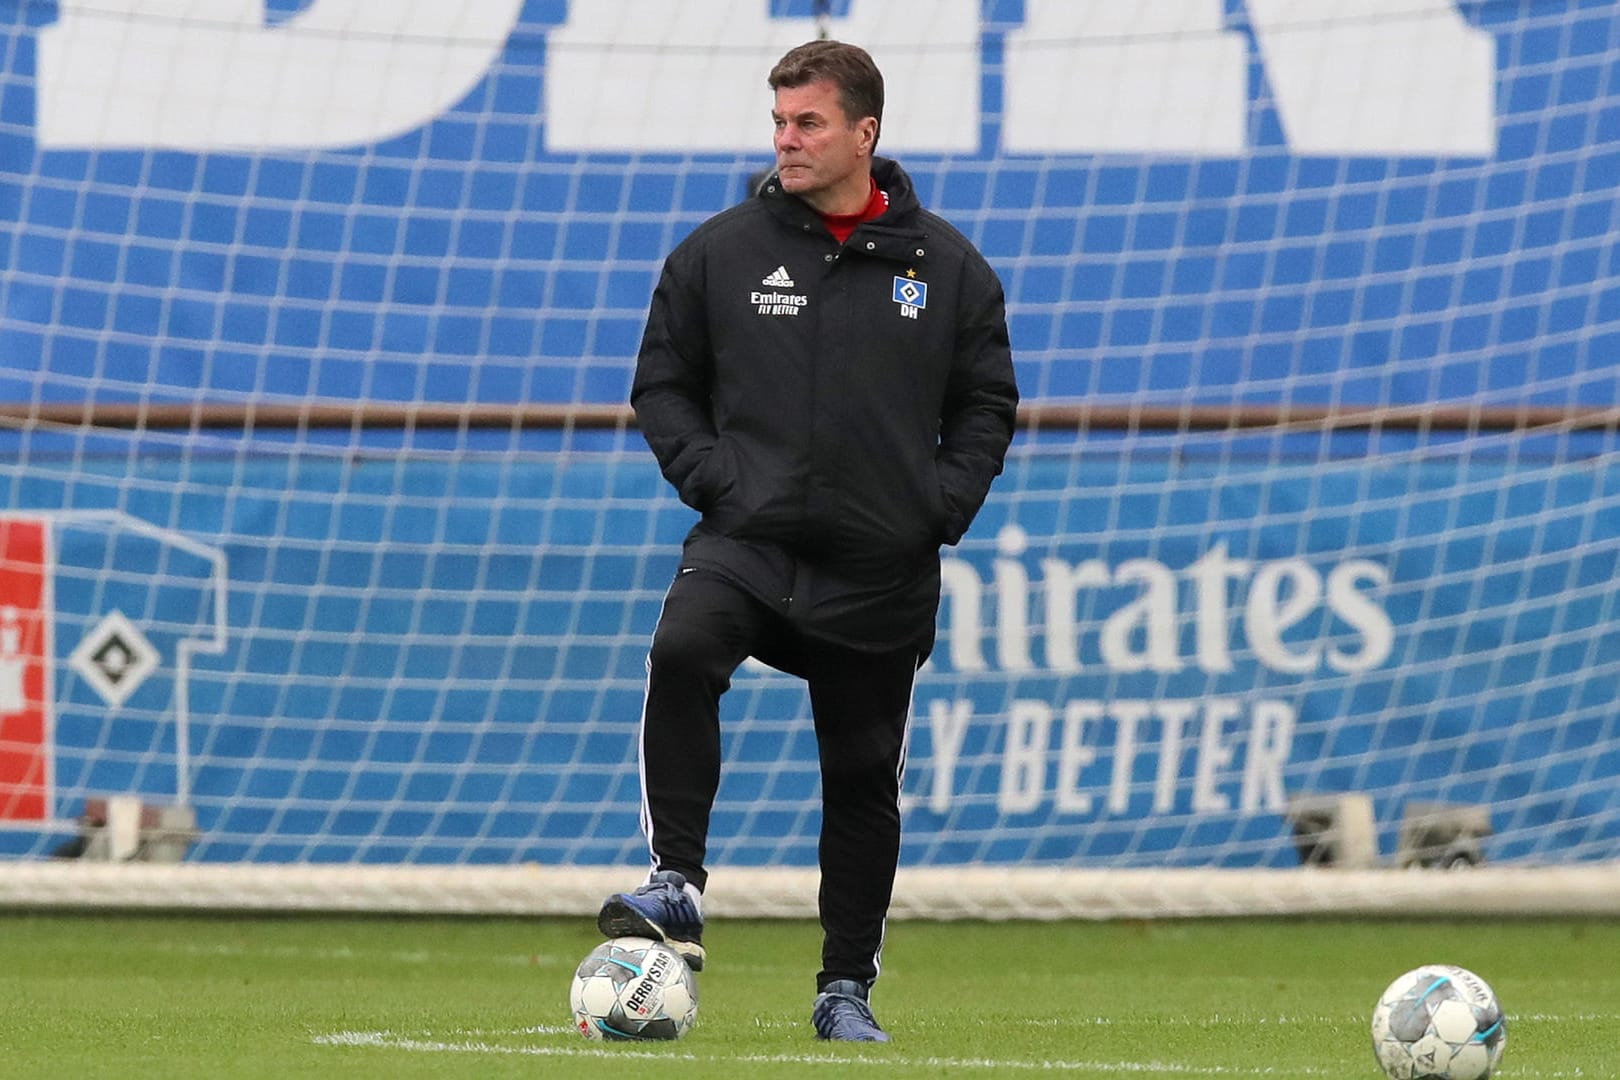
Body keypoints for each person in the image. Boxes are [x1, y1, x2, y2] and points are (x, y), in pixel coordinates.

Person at [598, 39, 1018, 1042]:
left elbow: (988, 403)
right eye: (779, 121)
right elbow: (662, 383)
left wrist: (935, 509)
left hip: (881, 564)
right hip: (751, 539)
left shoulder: (947, 268)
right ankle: (677, 883)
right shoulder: (719, 253)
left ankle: (844, 991)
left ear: (864, 133)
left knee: (864, 777)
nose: (786, 140)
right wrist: (715, 479)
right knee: (683, 645)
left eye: (808, 122)